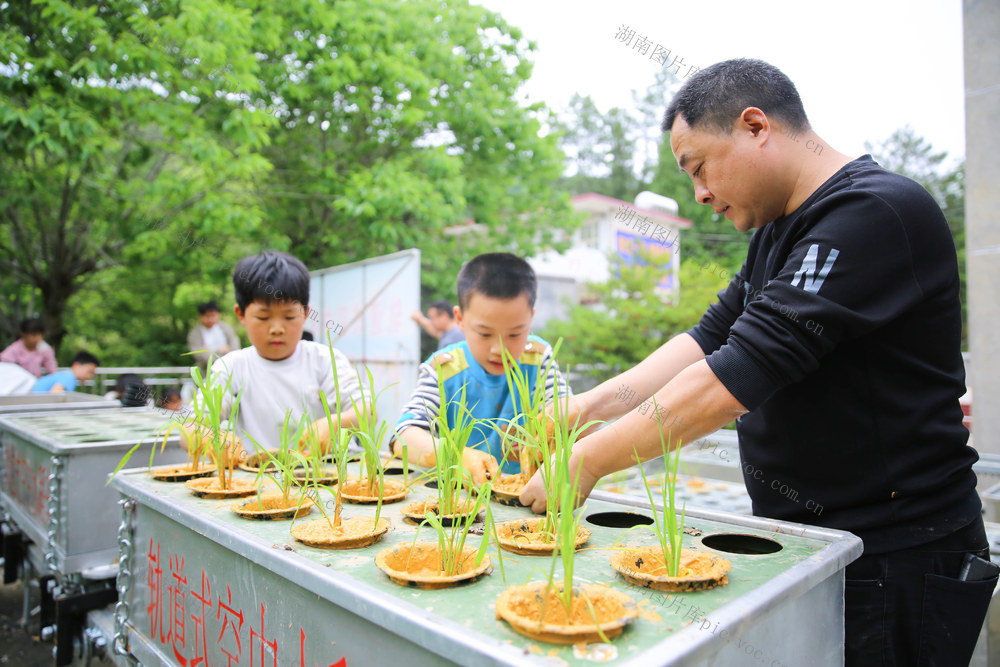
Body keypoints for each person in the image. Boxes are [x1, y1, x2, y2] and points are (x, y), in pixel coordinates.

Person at [519, 58, 993, 666]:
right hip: (816, 541)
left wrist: (586, 461)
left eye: (699, 168)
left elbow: (733, 377)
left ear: (755, 126)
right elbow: (704, 342)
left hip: (896, 551)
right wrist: (583, 408)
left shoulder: (874, 214)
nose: (701, 194)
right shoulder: (776, 235)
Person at [393, 253, 571, 485]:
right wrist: (455, 455)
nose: (499, 349)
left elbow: (569, 416)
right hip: (461, 502)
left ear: (531, 318)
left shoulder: (538, 358)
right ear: (460, 318)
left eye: (515, 333)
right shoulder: (443, 368)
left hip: (528, 496)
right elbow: (403, 437)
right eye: (485, 334)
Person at [183, 251, 363, 456]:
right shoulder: (231, 367)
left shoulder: (324, 360)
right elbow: (189, 430)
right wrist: (212, 439)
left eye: (289, 316)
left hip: (326, 478)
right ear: (241, 314)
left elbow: (366, 410)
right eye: (263, 317)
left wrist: (335, 423)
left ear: (305, 313)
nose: (277, 329)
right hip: (259, 480)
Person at [187, 301, 241, 377]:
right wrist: (221, 351)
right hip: (206, 372)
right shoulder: (195, 333)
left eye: (213, 316)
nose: (211, 319)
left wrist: (210, 352)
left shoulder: (225, 328)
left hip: (229, 370)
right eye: (207, 316)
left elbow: (235, 346)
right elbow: (198, 354)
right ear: (201, 316)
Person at [32, 351, 99, 393]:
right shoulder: (69, 378)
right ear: (76, 365)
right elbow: (55, 394)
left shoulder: (66, 375)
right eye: (90, 372)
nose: (90, 376)